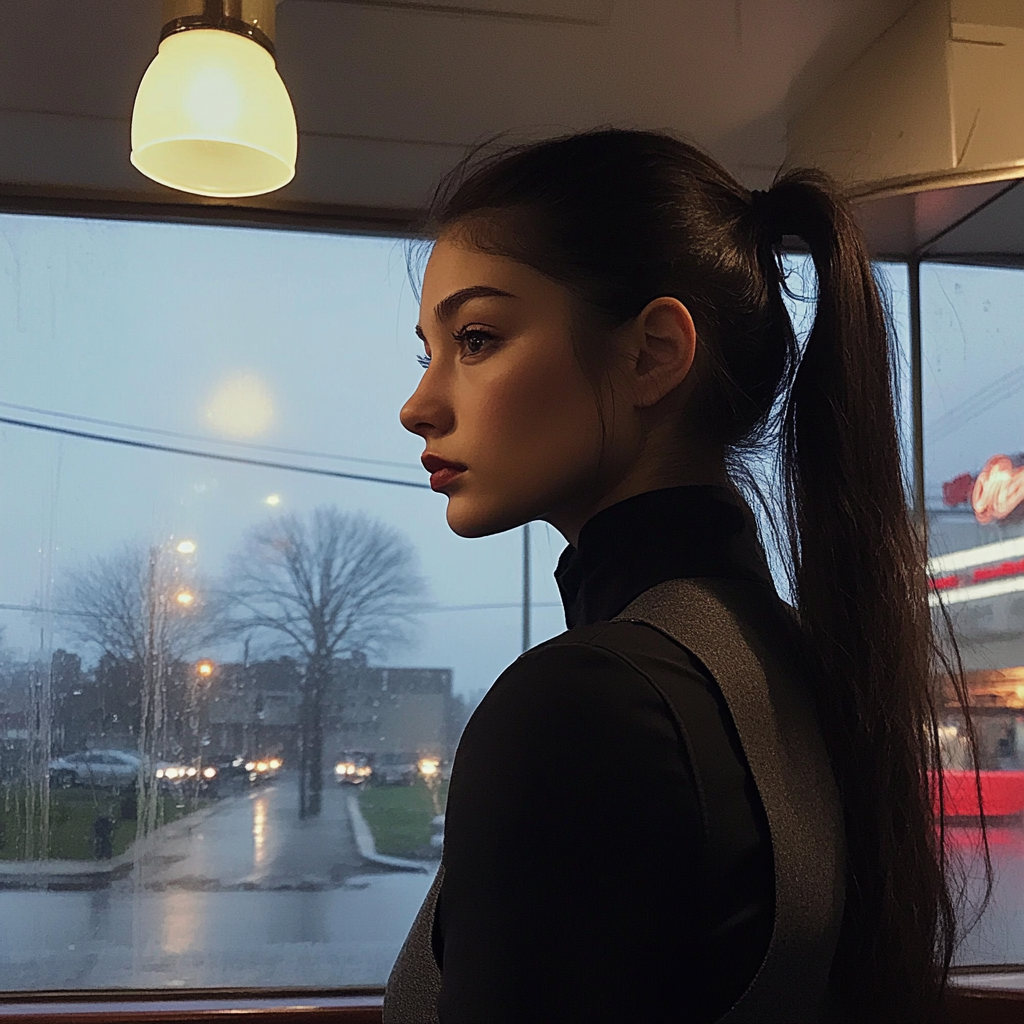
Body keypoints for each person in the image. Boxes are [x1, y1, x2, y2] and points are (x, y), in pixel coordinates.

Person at [385, 129, 977, 1023]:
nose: (417, 406)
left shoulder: (589, 704)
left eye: (476, 337)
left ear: (654, 352)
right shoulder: (780, 657)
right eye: (426, 351)